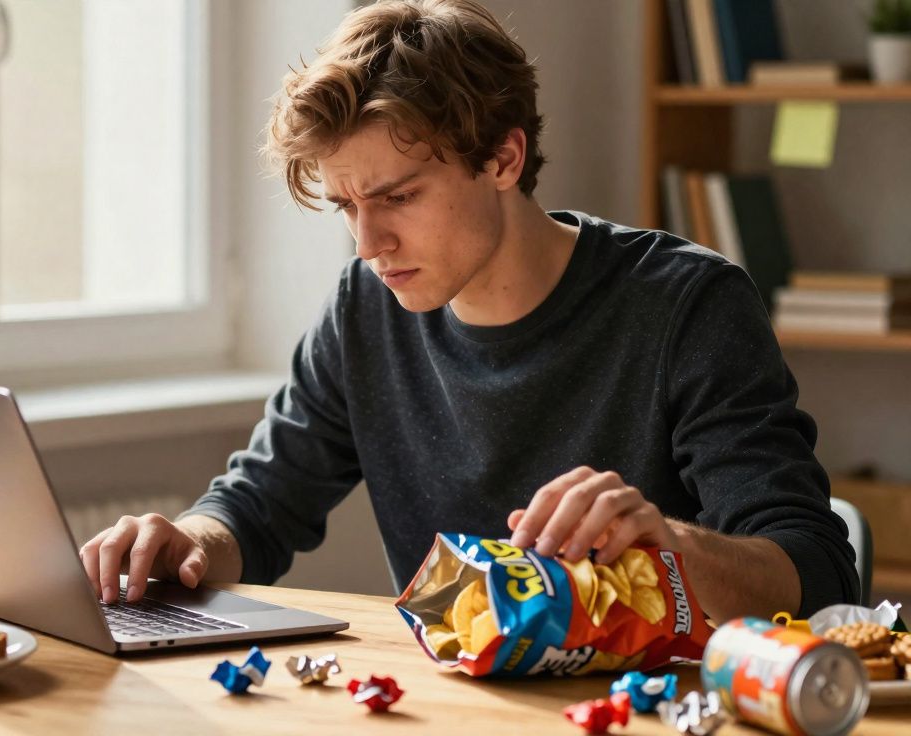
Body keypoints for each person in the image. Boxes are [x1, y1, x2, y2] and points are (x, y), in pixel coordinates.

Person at [78, 0, 858, 622]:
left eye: (398, 197)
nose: (368, 244)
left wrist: (671, 547)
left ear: (503, 159)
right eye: (346, 205)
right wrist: (184, 541)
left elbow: (820, 573)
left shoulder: (687, 305)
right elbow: (256, 508)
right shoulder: (365, 308)